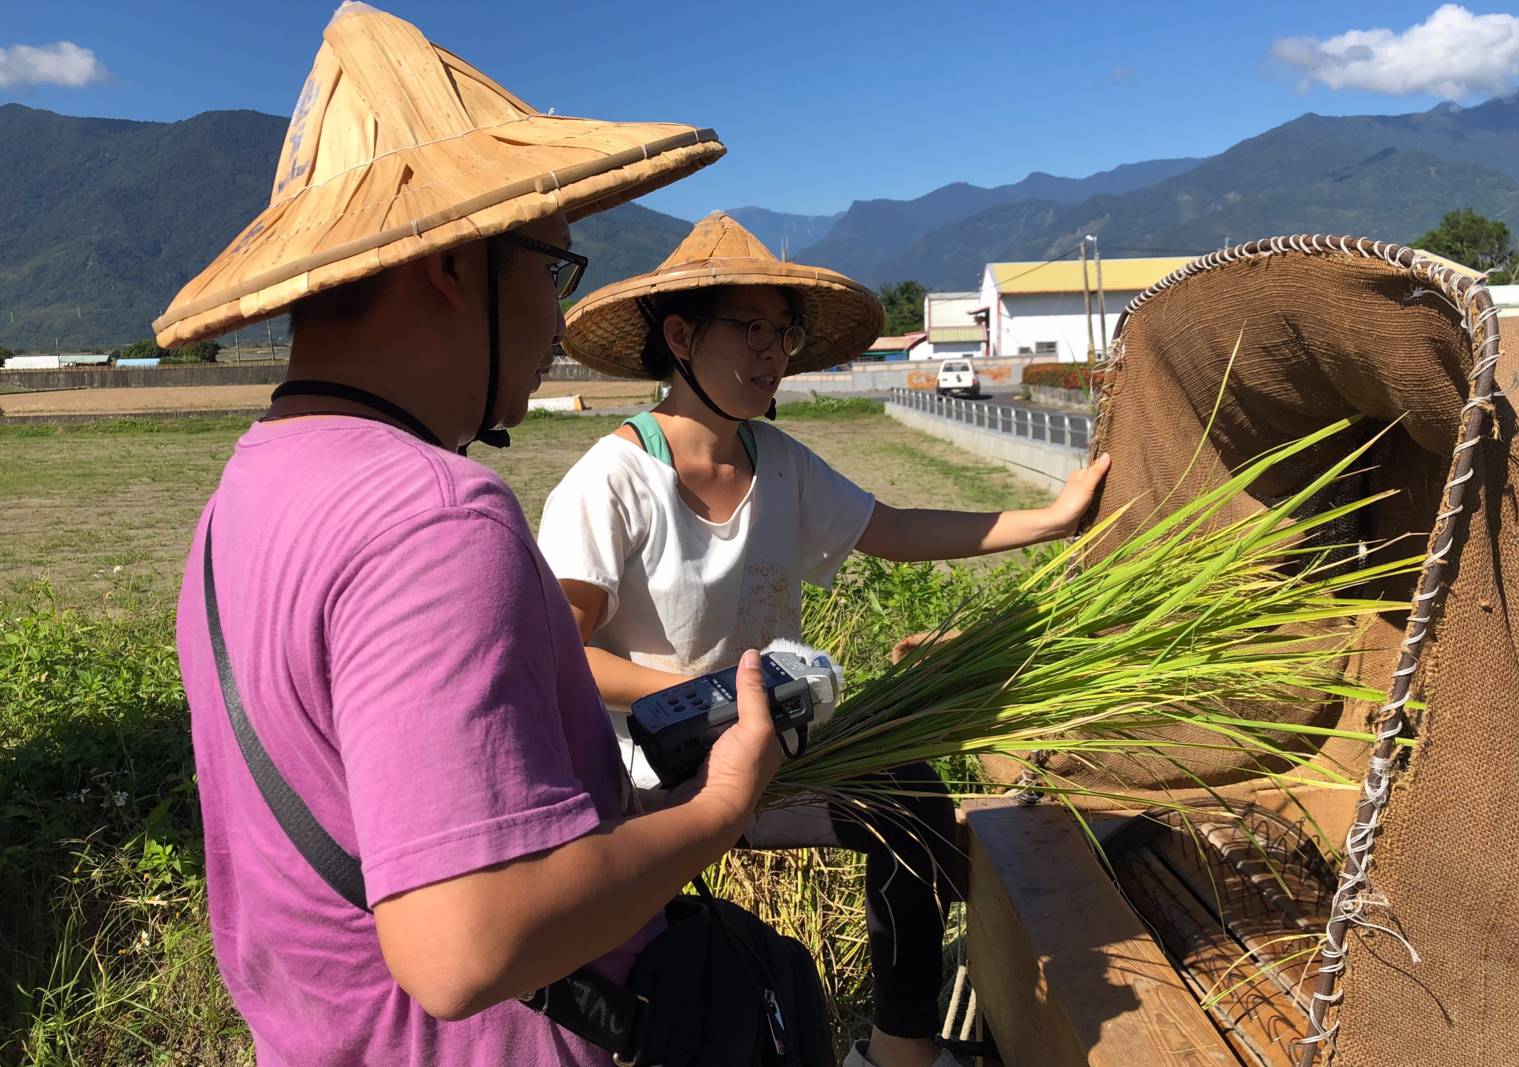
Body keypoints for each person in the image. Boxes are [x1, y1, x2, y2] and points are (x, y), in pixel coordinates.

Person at [162, 7, 772, 1065]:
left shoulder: (243, 496)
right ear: (450, 265)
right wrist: (722, 803)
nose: (556, 324)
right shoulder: (433, 516)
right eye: (549, 272)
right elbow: (465, 945)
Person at [539, 212, 1111, 1067]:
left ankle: (897, 1051)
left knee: (911, 801)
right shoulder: (612, 482)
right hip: (654, 769)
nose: (774, 352)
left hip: (776, 746)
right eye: (752, 329)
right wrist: (688, 694)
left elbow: (895, 526)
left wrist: (1052, 519)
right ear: (682, 335)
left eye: (785, 331)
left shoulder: (779, 460)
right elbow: (561, 656)